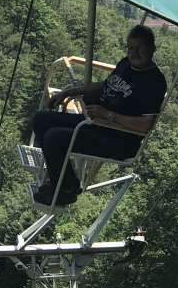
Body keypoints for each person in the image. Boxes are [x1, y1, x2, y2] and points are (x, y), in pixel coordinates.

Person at [30, 24, 167, 207]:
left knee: (53, 138)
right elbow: (104, 86)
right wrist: (69, 92)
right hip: (95, 123)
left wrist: (108, 115)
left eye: (140, 48)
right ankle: (61, 177)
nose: (134, 53)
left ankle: (66, 189)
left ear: (151, 49)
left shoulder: (155, 82)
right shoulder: (125, 64)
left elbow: (145, 125)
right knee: (40, 119)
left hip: (117, 138)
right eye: (130, 47)